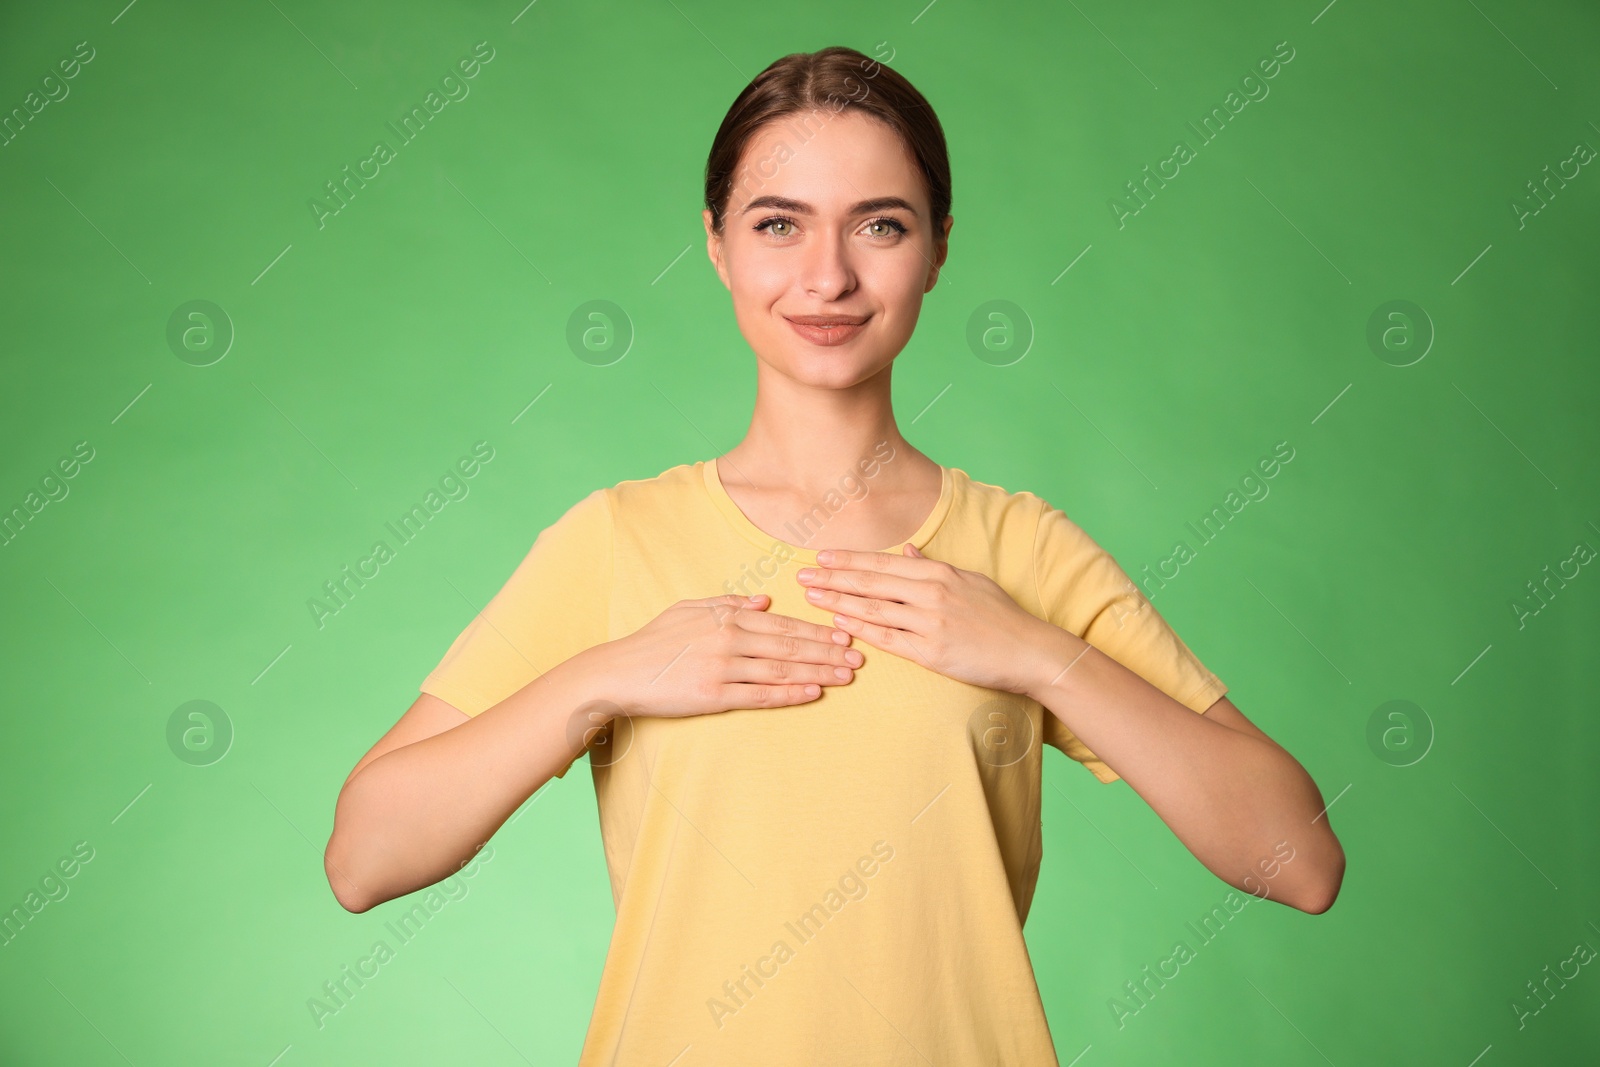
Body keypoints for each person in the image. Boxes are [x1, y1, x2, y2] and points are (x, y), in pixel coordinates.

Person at [324, 45, 1345, 1064]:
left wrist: (1038, 655)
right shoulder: (614, 540)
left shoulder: (1021, 548)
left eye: (881, 225)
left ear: (939, 248)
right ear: (717, 244)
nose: (829, 276)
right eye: (778, 224)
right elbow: (364, 857)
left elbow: (1300, 860)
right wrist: (602, 677)